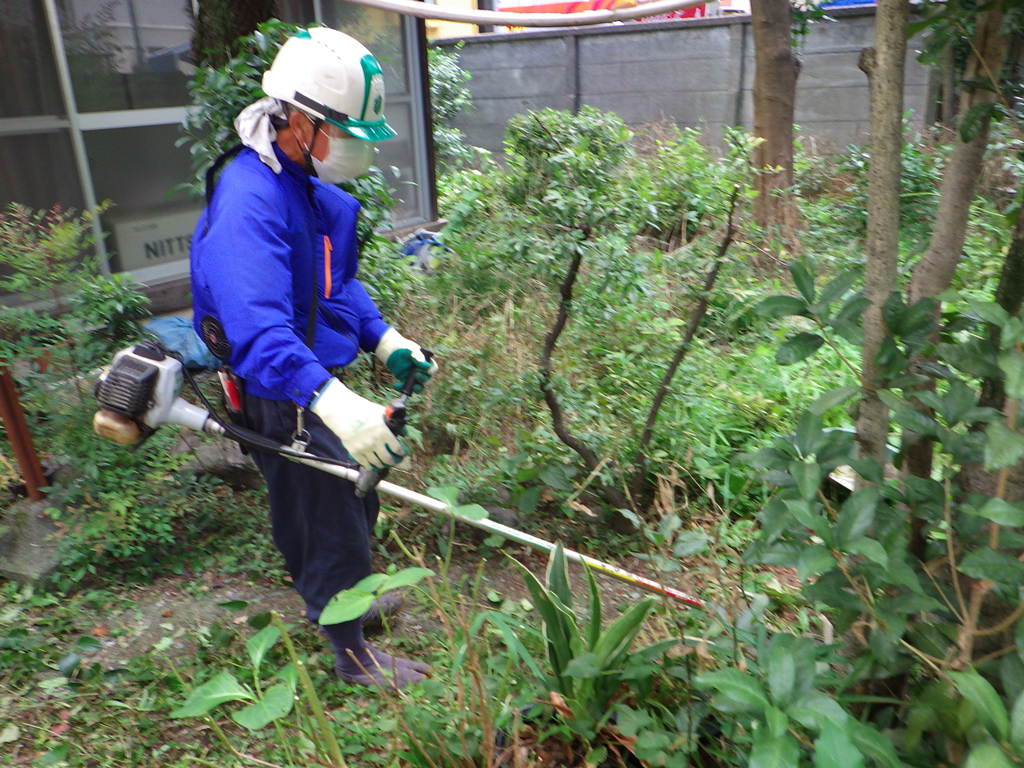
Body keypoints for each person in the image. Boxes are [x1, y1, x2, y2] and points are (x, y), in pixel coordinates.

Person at [189, 27, 436, 690]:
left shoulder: (299, 183)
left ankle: (350, 602)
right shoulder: (250, 201)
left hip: (319, 377)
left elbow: (336, 285)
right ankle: (350, 653)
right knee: (321, 509)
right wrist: (333, 404)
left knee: (356, 499)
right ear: (299, 120)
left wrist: (384, 339)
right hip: (282, 389)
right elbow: (261, 336)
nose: (357, 150)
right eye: (347, 134)